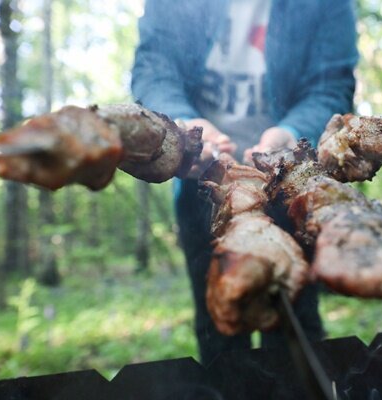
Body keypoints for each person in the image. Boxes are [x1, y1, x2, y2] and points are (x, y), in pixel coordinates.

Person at [131, 0, 359, 365]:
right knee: (221, 326)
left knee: (296, 328)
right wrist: (184, 131)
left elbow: (330, 85)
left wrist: (292, 134)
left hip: (292, 178)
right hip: (202, 178)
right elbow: (154, 70)